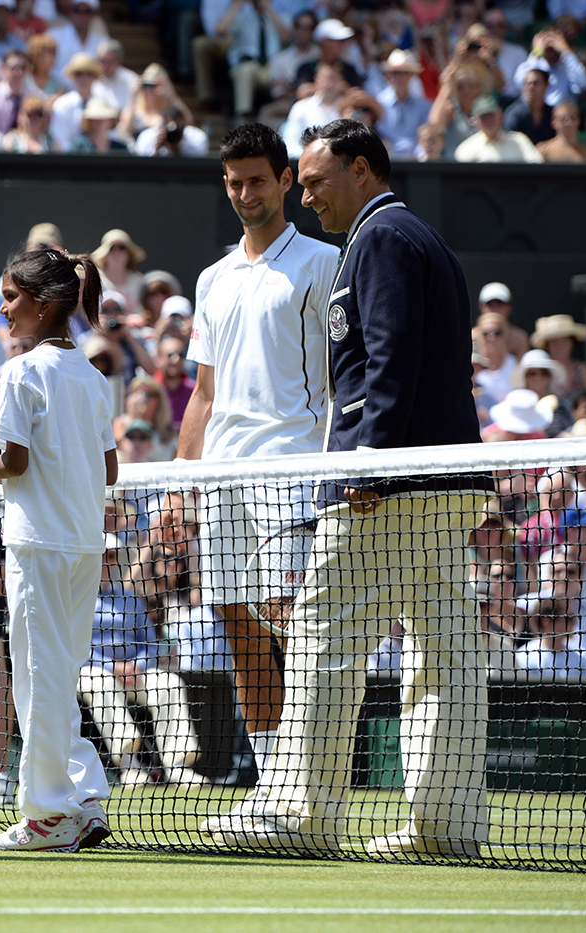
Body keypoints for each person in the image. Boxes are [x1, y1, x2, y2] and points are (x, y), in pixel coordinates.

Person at [211, 120, 493, 860]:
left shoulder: (382, 239)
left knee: (321, 636)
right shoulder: (411, 235)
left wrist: (365, 467)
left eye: (315, 182)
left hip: (391, 482)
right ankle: (448, 825)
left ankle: (301, 811)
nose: (305, 199)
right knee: (446, 649)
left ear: (362, 169)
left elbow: (389, 361)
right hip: (443, 479)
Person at [178, 124, 338, 811]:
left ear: (285, 183)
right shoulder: (212, 277)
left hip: (292, 468)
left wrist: (335, 471)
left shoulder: (323, 262)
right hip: (221, 474)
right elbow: (204, 393)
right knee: (235, 617)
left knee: (290, 619)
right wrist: (180, 483)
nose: (246, 193)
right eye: (234, 182)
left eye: (258, 181)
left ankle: (304, 772)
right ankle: (273, 779)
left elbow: (336, 383)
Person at [0, 248, 115, 853]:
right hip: (82, 546)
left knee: (37, 680)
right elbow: (107, 465)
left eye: (12, 297)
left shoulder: (23, 373)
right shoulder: (95, 377)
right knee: (57, 675)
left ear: (46, 304)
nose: (4, 308)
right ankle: (81, 797)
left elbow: (15, 461)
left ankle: (48, 816)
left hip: (41, 545)